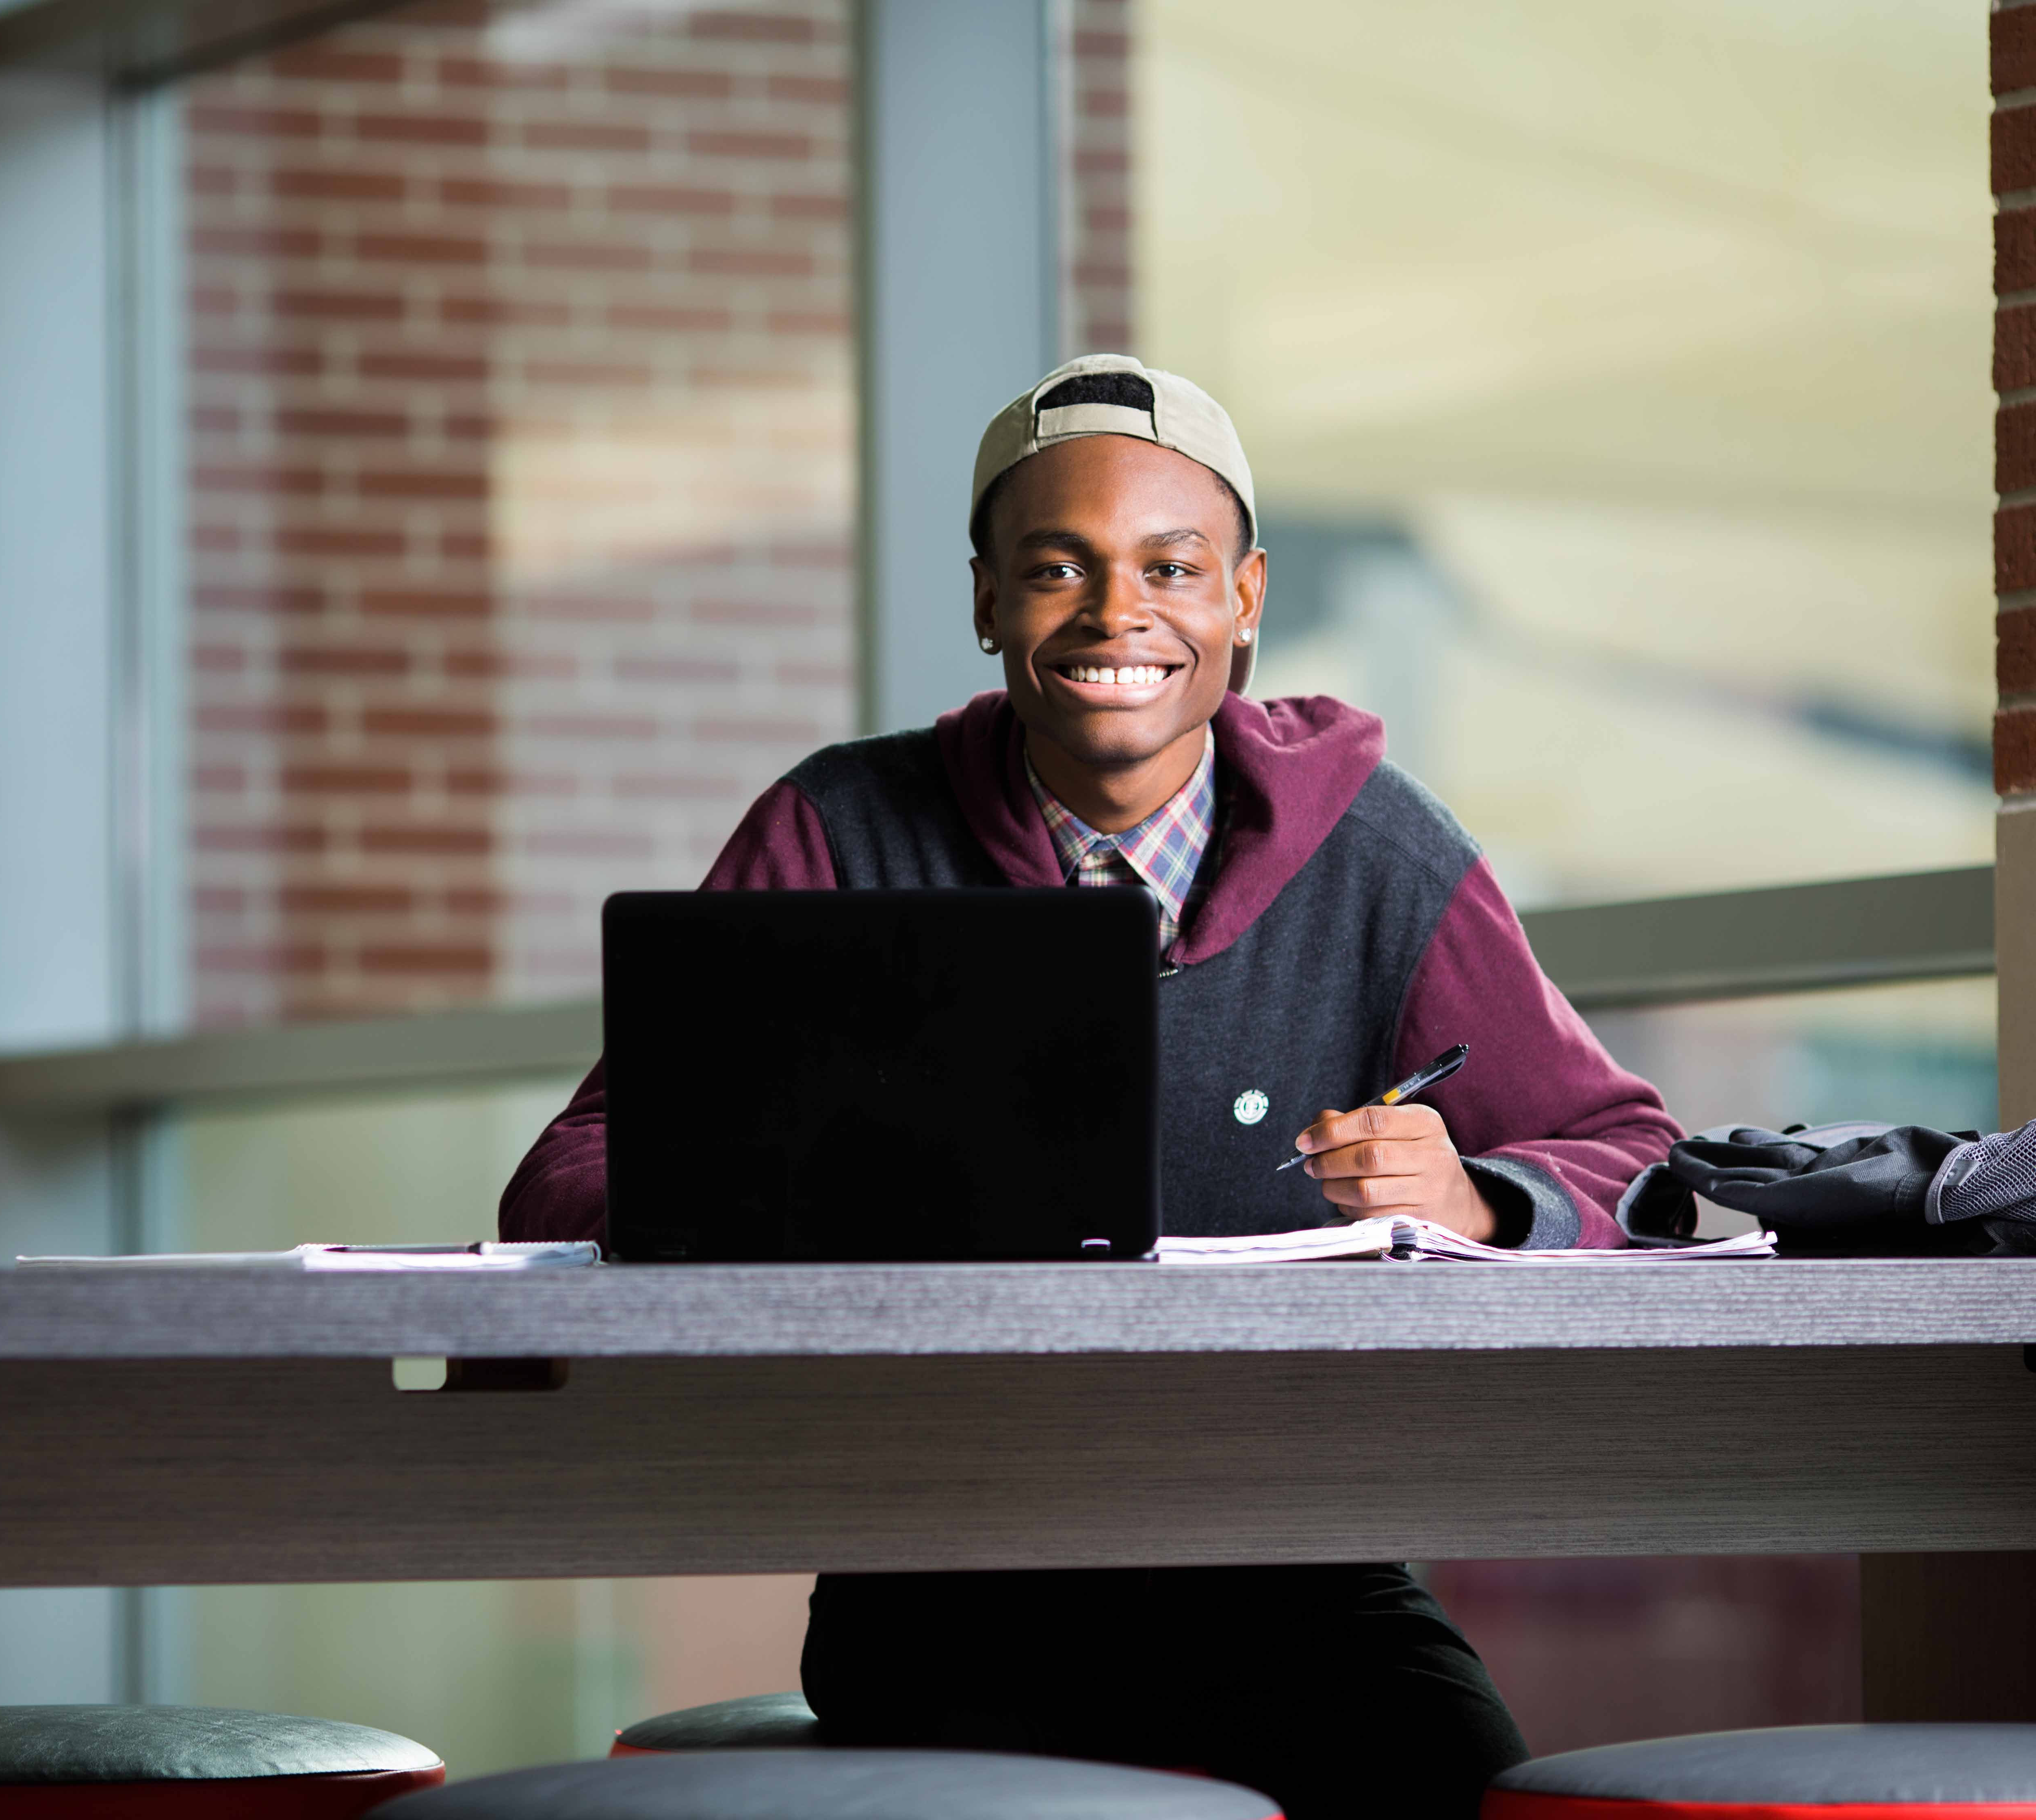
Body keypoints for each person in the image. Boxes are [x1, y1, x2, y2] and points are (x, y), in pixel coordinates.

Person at [497, 353, 1683, 1820]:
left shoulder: (1379, 849)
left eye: (1170, 567)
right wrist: (777, 1185)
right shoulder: (838, 826)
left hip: (1298, 1564)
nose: (1118, 611)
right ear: (987, 598)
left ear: (1244, 601)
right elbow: (574, 1166)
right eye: (1057, 566)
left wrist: (1483, 1197)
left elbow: (1635, 1156)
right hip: (946, 1571)